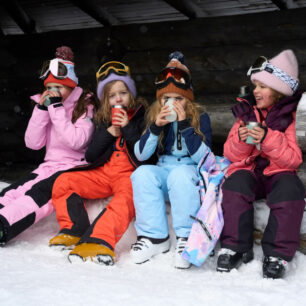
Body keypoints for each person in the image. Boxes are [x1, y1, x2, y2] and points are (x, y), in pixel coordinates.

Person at [49, 61, 151, 266]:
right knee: (64, 181)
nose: (118, 98)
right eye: (112, 95)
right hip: (104, 173)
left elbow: (146, 154)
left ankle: (100, 240)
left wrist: (127, 127)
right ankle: (73, 229)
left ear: (131, 93)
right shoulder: (103, 118)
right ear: (106, 100)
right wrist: (109, 132)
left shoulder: (143, 116)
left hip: (129, 175)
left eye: (122, 92)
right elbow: (91, 156)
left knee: (126, 198)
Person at [216, 49, 305, 279]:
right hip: (252, 170)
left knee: (290, 189)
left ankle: (277, 255)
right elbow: (230, 153)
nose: (255, 91)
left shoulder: (291, 116)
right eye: (254, 86)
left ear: (278, 90)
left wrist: (267, 137)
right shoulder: (247, 112)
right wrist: (242, 138)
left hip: (278, 172)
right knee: (235, 183)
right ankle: (235, 247)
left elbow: (293, 159)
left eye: (262, 86)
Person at [0, 46, 96, 245]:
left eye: (59, 88)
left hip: (73, 168)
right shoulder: (48, 107)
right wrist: (41, 110)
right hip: (48, 165)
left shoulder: (85, 107)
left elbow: (77, 142)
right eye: (50, 87)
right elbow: (33, 144)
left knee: (38, 194)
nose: (54, 92)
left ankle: (4, 224)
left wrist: (56, 108)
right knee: (16, 190)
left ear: (71, 87)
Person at [130, 51, 212, 269]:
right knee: (142, 173)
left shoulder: (200, 117)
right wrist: (156, 127)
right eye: (167, 98)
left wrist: (186, 126)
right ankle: (154, 237)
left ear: (188, 98)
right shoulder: (155, 117)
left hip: (188, 173)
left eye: (179, 98)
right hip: (164, 170)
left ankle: (186, 237)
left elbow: (205, 157)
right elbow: (140, 155)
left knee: (180, 175)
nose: (173, 103)